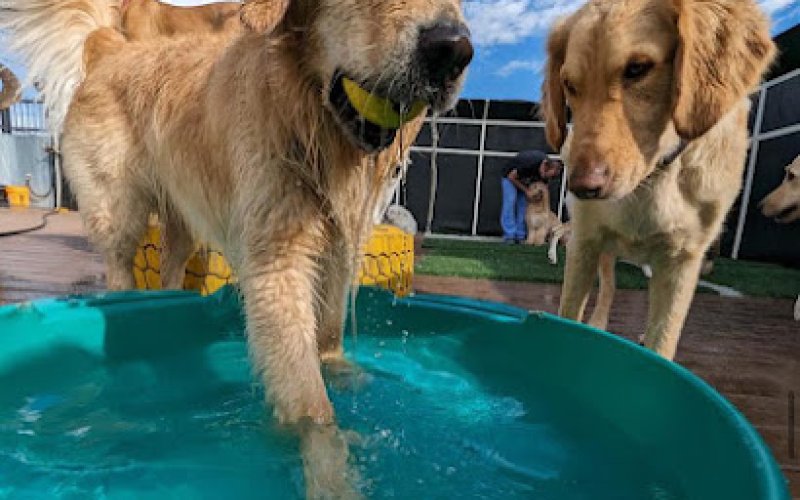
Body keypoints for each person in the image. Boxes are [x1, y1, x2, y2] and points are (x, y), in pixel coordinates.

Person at [500, 150, 563, 244]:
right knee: (510, 201)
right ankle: (509, 235)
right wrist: (526, 190)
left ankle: (520, 235)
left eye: (552, 178)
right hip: (510, 177)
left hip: (525, 181)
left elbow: (544, 185)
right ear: (546, 168)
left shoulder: (547, 173)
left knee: (523, 206)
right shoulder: (530, 162)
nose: (549, 179)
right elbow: (511, 176)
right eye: (550, 176)